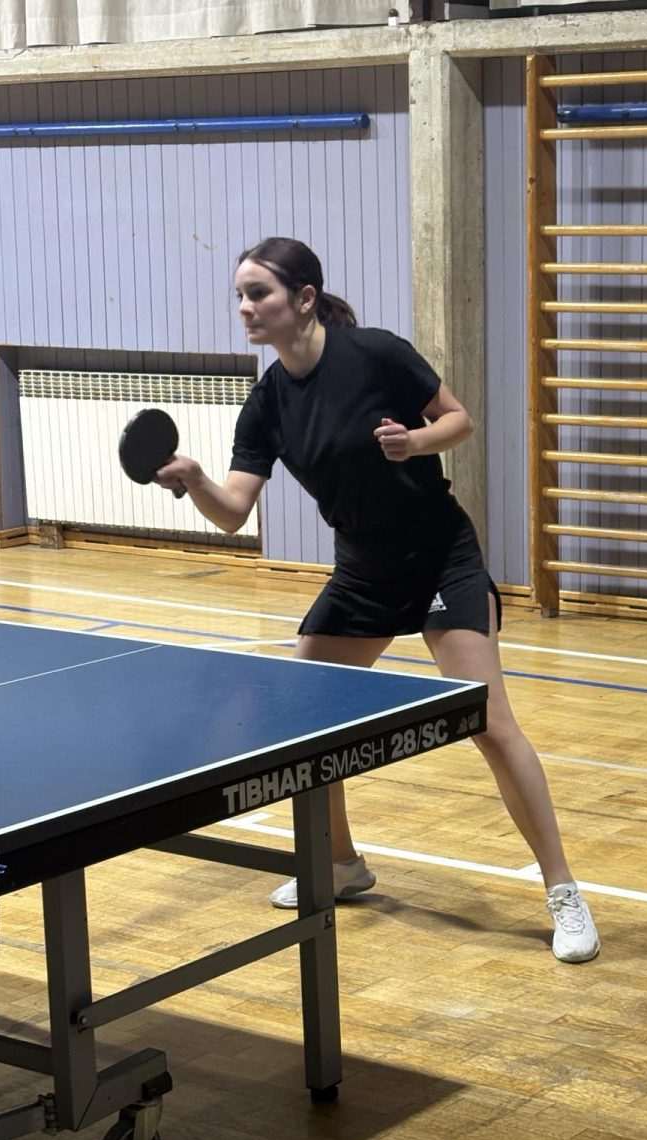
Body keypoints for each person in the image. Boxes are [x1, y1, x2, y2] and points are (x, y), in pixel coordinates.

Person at [156, 236, 600, 964]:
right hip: (363, 571)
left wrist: (416, 443)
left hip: (437, 558)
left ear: (303, 298)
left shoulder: (375, 354)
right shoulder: (266, 403)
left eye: (258, 293)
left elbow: (458, 420)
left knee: (488, 722)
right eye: (239, 295)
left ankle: (563, 890)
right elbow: (234, 511)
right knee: (305, 717)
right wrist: (197, 478)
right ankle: (340, 864)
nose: (244, 308)